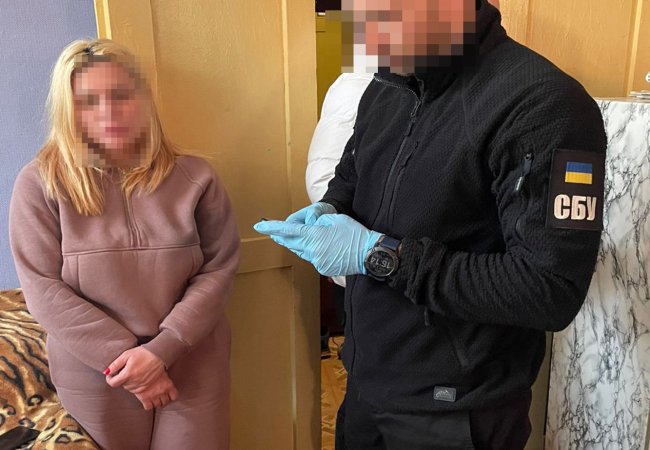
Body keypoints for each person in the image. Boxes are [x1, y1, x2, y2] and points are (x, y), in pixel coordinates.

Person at [255, 0, 607, 448]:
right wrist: (330, 208)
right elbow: (351, 176)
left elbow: (549, 290)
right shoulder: (386, 86)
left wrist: (380, 255)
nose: (366, 34)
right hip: (366, 386)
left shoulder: (544, 103)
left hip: (456, 412)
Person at [9, 39, 240, 450]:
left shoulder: (197, 177)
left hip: (193, 361)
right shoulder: (39, 183)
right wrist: (124, 360)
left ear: (143, 99)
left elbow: (219, 269)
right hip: (96, 373)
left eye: (120, 95)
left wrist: (162, 351)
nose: (108, 112)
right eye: (88, 101)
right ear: (68, 110)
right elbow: (42, 288)